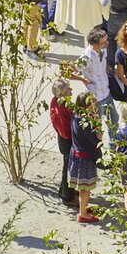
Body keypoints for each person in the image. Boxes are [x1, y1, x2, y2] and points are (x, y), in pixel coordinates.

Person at [72, 27, 119, 148]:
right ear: (95, 44)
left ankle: (113, 145)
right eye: (104, 42)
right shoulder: (86, 58)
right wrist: (82, 79)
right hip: (95, 98)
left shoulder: (103, 50)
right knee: (97, 127)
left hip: (106, 93)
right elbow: (65, 72)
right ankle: (98, 149)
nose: (107, 43)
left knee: (114, 119)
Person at [68, 91, 103, 223]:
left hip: (76, 155)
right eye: (92, 102)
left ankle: (83, 208)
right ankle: (83, 214)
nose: (95, 104)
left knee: (83, 187)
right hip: (85, 158)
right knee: (85, 188)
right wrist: (98, 123)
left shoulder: (75, 115)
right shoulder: (86, 122)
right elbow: (98, 139)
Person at [49, 78, 78, 207]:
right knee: (68, 169)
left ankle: (65, 190)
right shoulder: (62, 107)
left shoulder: (57, 101)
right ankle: (67, 196)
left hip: (65, 139)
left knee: (68, 167)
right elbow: (65, 130)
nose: (71, 90)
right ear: (61, 92)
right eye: (68, 89)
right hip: (67, 140)